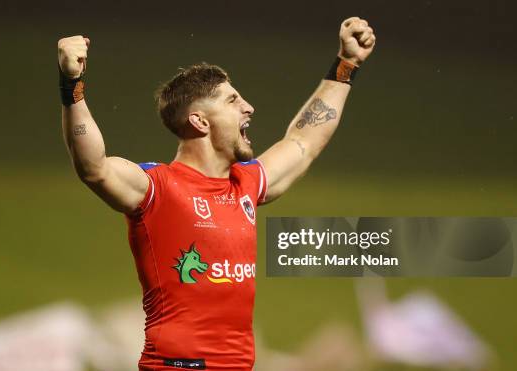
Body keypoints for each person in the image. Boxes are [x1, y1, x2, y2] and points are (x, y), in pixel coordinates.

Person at [58, 16, 375, 371]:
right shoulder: (158, 187)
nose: (249, 107)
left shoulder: (246, 184)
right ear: (200, 121)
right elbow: (94, 168)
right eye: (232, 101)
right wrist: (72, 85)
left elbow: (304, 141)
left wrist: (346, 65)